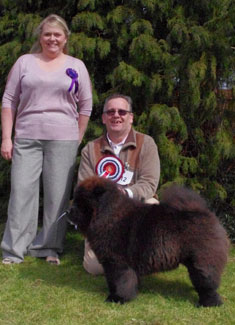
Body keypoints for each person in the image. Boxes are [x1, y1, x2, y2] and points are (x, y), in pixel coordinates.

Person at [0, 14, 92, 265]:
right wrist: (6, 138)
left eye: (57, 34)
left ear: (65, 39)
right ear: (40, 37)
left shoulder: (77, 65)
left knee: (57, 197)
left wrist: (77, 137)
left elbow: (86, 106)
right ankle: (14, 250)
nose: (52, 39)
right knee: (21, 193)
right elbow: (9, 100)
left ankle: (49, 247)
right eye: (47, 34)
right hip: (27, 137)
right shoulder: (24, 63)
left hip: (63, 138)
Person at [77, 93, 160, 275]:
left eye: (122, 112)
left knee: (153, 206)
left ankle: (138, 259)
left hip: (137, 206)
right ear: (104, 118)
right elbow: (84, 189)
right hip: (102, 214)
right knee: (95, 268)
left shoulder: (147, 144)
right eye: (111, 112)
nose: (116, 115)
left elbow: (149, 183)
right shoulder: (90, 150)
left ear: (130, 117)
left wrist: (125, 194)